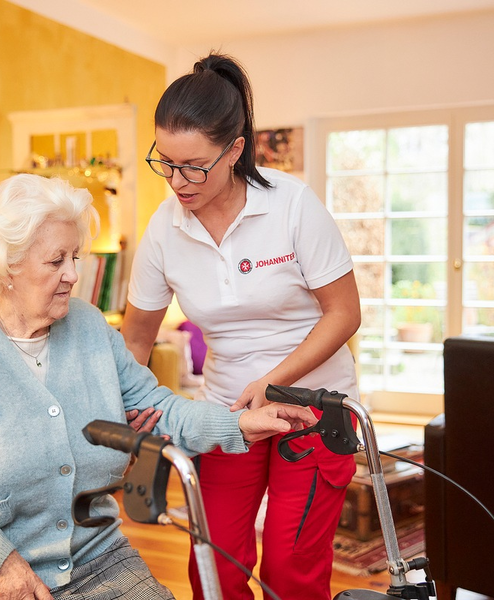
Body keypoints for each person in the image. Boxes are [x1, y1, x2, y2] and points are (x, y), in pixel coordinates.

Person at [0, 173, 318, 600]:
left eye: (75, 258)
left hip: (99, 560)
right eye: (55, 261)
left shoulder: (88, 326)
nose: (73, 275)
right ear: (5, 264)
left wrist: (239, 422)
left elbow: (159, 405)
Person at [121, 53, 362, 600]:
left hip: (312, 406)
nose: (178, 181)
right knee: (215, 567)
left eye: (195, 166)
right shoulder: (164, 230)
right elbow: (135, 339)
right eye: (167, 162)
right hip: (227, 416)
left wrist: (271, 381)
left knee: (289, 566)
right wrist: (129, 407)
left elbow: (344, 313)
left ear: (234, 149)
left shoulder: (293, 206)